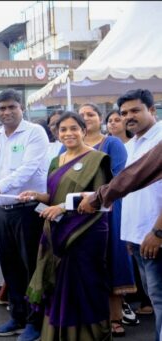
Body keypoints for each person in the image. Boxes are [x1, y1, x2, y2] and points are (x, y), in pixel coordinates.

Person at [19, 112, 113, 340]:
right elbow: (53, 196)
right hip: (58, 232)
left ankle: (90, 336)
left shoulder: (97, 159)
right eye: (63, 130)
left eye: (74, 128)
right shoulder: (56, 160)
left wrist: (62, 206)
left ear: (84, 130)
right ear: (57, 134)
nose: (68, 133)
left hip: (85, 233)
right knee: (59, 286)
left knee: (86, 286)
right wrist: (38, 195)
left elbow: (101, 199)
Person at [0, 89, 49, 340]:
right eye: (2, 108)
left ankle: (35, 322)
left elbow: (29, 169)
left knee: (30, 269)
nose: (6, 112)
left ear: (21, 108)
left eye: (11, 107)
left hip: (28, 210)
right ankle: (17, 316)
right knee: (10, 268)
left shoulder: (35, 132)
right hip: (1, 210)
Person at [78, 103, 136, 334]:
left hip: (107, 210)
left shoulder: (111, 143)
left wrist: (95, 196)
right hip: (79, 212)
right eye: (81, 115)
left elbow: (120, 178)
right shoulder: (68, 146)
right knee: (85, 264)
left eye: (90, 114)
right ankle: (91, 317)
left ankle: (115, 318)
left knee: (110, 260)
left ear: (99, 117)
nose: (86, 118)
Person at [115, 89, 162, 341]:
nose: (128, 117)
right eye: (124, 113)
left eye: (135, 110)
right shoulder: (130, 145)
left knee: (161, 300)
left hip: (156, 237)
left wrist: (157, 232)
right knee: (156, 300)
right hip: (139, 239)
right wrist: (130, 237)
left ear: (152, 110)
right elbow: (131, 194)